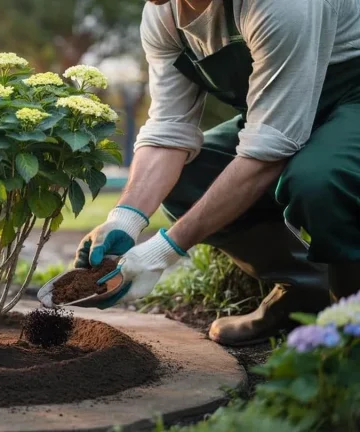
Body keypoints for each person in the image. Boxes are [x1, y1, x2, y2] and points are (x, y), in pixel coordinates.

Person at [49, 0, 360, 346]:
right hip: (281, 113)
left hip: (353, 99)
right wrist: (125, 218)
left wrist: (162, 252)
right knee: (189, 179)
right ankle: (305, 289)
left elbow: (269, 150)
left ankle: (349, 333)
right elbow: (169, 129)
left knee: (320, 182)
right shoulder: (164, 13)